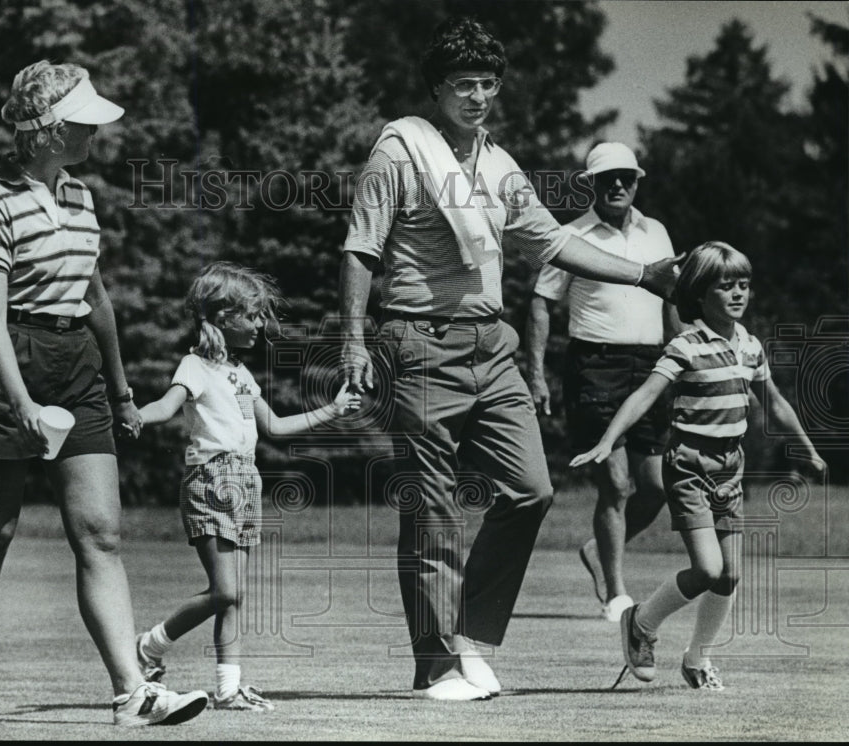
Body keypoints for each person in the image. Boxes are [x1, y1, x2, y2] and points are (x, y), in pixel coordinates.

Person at [339, 16, 681, 702]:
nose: (476, 96)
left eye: (487, 83)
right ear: (436, 88)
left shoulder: (500, 165)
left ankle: (472, 639)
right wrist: (352, 337)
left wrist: (641, 275)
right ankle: (437, 667)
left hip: (491, 347)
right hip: (419, 342)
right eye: (462, 83)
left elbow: (552, 244)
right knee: (433, 510)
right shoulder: (401, 151)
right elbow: (360, 248)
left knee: (533, 489)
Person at [0, 60, 208, 727]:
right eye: (84, 119)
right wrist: (24, 402)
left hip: (78, 366)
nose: (98, 130)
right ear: (51, 130)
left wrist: (118, 388)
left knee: (100, 532)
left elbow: (94, 298)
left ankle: (132, 693)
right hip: (9, 368)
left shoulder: (82, 196)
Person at [570, 242, 827, 690]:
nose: (737, 294)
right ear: (699, 293)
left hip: (731, 468)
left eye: (743, 285)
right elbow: (646, 394)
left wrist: (806, 447)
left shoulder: (750, 345)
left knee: (730, 575)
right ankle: (641, 623)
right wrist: (608, 440)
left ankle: (696, 658)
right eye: (725, 286)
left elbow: (775, 403)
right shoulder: (686, 345)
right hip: (688, 466)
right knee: (706, 570)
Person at [132, 262, 361, 712]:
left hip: (245, 481)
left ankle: (227, 689)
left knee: (235, 595)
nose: (261, 325)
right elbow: (166, 404)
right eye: (252, 315)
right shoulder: (194, 365)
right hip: (210, 480)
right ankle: (148, 646)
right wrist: (136, 415)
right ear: (222, 317)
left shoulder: (241, 374)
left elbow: (274, 425)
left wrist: (333, 410)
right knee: (226, 591)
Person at [526, 142, 681, 623]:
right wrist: (534, 371)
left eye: (626, 177)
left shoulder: (657, 232)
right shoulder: (569, 236)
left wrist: (684, 355)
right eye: (606, 178)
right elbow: (539, 302)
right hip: (595, 366)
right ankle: (617, 593)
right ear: (590, 184)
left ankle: (598, 551)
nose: (617, 185)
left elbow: (671, 297)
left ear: (637, 182)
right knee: (615, 483)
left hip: (652, 366)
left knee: (655, 487)